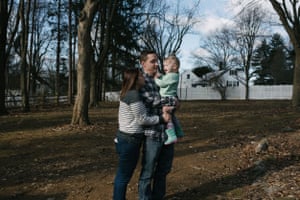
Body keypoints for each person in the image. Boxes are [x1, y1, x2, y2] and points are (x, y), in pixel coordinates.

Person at [113, 68, 170, 200]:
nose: (143, 78)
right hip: (129, 140)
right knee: (123, 176)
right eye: (141, 76)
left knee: (123, 175)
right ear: (135, 79)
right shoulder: (133, 95)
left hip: (125, 139)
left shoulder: (128, 93)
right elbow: (142, 119)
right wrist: (161, 119)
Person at [138, 50, 177, 200]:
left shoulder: (162, 77)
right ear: (143, 63)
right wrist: (171, 102)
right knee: (148, 171)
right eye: (152, 61)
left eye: (157, 61)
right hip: (152, 133)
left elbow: (174, 98)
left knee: (164, 170)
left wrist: (173, 102)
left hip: (168, 131)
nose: (156, 64)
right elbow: (151, 101)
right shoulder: (141, 80)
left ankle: (158, 197)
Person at [155, 55, 184, 145]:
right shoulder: (172, 75)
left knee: (166, 115)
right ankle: (179, 132)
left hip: (168, 98)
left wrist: (155, 78)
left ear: (175, 67)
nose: (164, 67)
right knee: (172, 117)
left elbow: (162, 83)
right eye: (164, 66)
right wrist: (160, 76)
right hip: (170, 98)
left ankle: (171, 136)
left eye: (167, 65)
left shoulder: (172, 76)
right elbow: (165, 79)